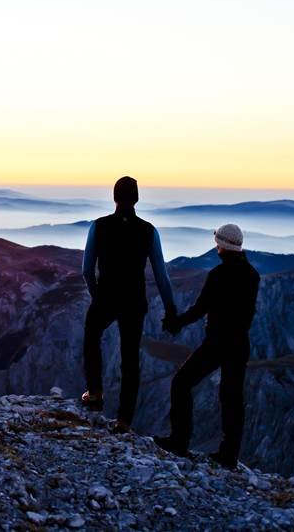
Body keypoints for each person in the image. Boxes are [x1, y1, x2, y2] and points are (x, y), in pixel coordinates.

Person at [155, 223, 260, 469]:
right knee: (232, 397)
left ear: (222, 245)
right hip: (239, 343)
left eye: (217, 243)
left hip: (217, 342)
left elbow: (200, 309)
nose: (216, 248)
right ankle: (229, 455)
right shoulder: (252, 275)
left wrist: (175, 323)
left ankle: (179, 441)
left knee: (181, 383)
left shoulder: (219, 275)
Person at [80, 176, 177, 432]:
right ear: (136, 198)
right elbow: (161, 276)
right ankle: (124, 420)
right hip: (134, 300)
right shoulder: (148, 230)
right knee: (130, 357)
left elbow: (86, 269)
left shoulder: (98, 226)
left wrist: (95, 294)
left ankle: (95, 392)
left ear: (114, 197)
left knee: (92, 335)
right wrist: (170, 308)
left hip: (106, 296)